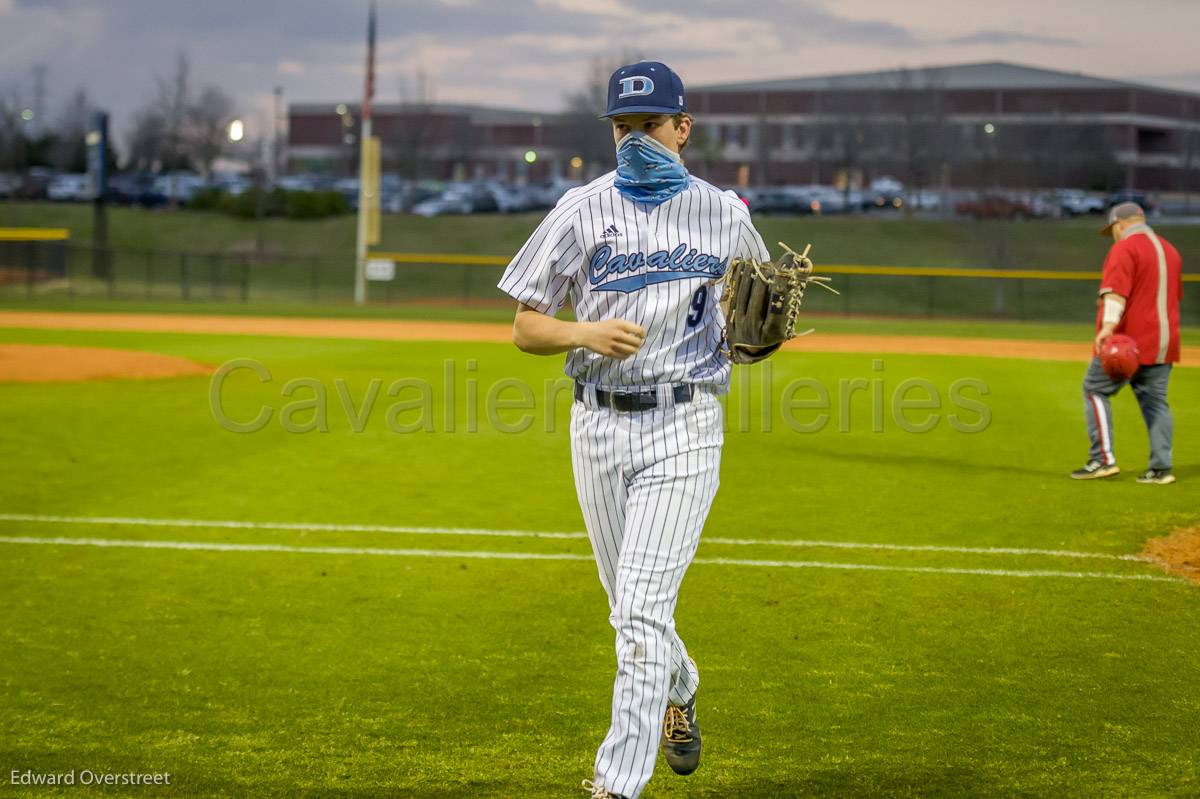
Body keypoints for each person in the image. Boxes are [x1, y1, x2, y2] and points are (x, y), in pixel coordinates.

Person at [497, 61, 775, 799]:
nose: (634, 140)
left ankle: (616, 783)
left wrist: (759, 336)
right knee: (629, 610)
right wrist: (582, 332)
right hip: (596, 426)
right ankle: (680, 684)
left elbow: (757, 317)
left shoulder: (723, 214)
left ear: (683, 128)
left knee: (643, 608)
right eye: (622, 126)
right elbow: (525, 326)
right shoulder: (579, 209)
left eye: (649, 126)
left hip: (685, 421)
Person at [1071, 201, 1183, 484]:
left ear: (1120, 224)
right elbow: (1173, 298)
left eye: (1114, 230)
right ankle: (1160, 469)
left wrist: (1108, 326)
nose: (1114, 236)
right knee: (1156, 403)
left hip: (1128, 342)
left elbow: (1116, 293)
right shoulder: (1171, 251)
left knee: (1094, 390)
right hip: (1164, 341)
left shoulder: (1124, 248)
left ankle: (1102, 460)